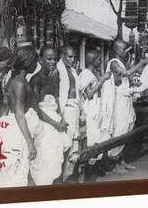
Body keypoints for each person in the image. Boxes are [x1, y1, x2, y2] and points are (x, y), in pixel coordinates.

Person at [0, 46, 42, 188]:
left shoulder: (15, 80)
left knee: (12, 173)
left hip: (14, 129)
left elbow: (5, 106)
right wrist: (30, 142)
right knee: (15, 174)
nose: (36, 65)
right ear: (28, 62)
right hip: (18, 132)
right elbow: (19, 114)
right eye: (35, 62)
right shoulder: (19, 83)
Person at [29, 45, 70, 186]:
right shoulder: (36, 80)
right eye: (49, 59)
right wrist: (55, 124)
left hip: (55, 121)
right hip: (43, 124)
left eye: (55, 59)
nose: (52, 62)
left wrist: (62, 119)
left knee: (56, 157)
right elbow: (36, 109)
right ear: (41, 60)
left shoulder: (55, 76)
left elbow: (57, 99)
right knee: (44, 158)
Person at [107, 39, 148, 173]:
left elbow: (124, 80)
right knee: (120, 130)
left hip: (127, 101)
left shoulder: (123, 63)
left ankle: (121, 161)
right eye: (124, 50)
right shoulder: (113, 63)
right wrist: (140, 63)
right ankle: (113, 164)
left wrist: (134, 86)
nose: (126, 52)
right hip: (119, 102)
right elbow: (125, 74)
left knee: (129, 127)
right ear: (117, 50)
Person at [79, 50, 112, 178]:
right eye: (99, 59)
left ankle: (96, 168)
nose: (100, 62)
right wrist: (102, 80)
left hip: (97, 110)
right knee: (92, 140)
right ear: (94, 60)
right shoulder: (86, 74)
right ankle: (89, 172)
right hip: (90, 110)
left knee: (99, 138)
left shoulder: (93, 73)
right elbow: (89, 93)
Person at [56, 45, 81, 181]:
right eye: (69, 56)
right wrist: (60, 115)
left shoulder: (72, 71)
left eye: (73, 57)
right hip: (65, 110)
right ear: (62, 56)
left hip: (74, 110)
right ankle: (59, 177)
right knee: (63, 145)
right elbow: (57, 96)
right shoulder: (58, 70)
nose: (72, 59)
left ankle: (68, 176)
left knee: (73, 145)